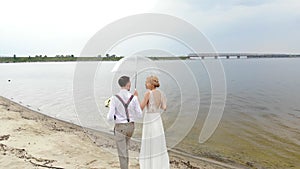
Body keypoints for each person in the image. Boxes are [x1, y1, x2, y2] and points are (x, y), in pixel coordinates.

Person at [107, 76, 143, 169]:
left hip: (120, 128)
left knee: (122, 152)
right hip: (131, 127)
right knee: (125, 149)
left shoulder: (114, 98)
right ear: (128, 84)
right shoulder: (134, 98)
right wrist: (136, 98)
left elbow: (109, 117)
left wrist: (115, 114)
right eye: (130, 82)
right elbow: (140, 115)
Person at [135, 75, 170, 169]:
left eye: (146, 82)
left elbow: (140, 108)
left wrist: (136, 97)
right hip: (157, 119)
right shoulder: (161, 93)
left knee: (149, 139)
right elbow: (164, 107)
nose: (145, 84)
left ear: (151, 84)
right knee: (158, 140)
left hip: (149, 119)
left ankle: (149, 163)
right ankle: (159, 163)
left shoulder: (148, 94)